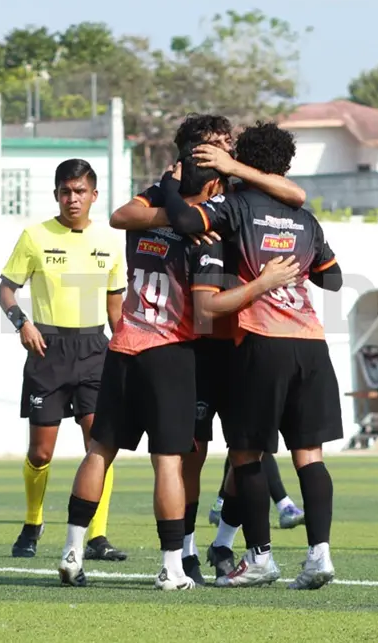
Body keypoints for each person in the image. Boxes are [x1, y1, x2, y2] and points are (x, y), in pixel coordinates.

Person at [56, 153, 298, 590]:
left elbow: (122, 214)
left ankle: (72, 552)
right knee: (169, 463)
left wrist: (168, 183)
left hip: (123, 344)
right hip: (169, 352)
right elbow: (206, 314)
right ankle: (172, 567)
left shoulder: (143, 219)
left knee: (98, 452)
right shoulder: (205, 235)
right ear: (208, 192)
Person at [110, 114, 308, 578]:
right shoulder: (176, 192)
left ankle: (230, 545)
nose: (222, 148)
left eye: (226, 142)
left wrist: (228, 179)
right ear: (191, 151)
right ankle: (187, 552)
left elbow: (297, 195)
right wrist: (183, 218)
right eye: (212, 144)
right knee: (191, 453)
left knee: (246, 453)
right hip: (194, 345)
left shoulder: (241, 193)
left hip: (241, 342)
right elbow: (123, 216)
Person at [159, 121, 345, 590]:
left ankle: (260, 557)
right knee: (310, 455)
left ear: (242, 160)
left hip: (262, 342)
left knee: (246, 454)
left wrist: (169, 183)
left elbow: (184, 222)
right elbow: (334, 278)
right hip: (311, 344)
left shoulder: (237, 206)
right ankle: (319, 554)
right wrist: (293, 261)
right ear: (283, 165)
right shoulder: (305, 218)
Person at [0, 159, 126, 562]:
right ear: (56, 194)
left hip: (94, 352)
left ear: (94, 195)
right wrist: (22, 323)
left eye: (80, 191)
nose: (74, 199)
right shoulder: (34, 237)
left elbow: (115, 306)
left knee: (99, 446)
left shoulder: (110, 241)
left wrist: (124, 350)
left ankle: (97, 536)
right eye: (66, 192)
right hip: (47, 352)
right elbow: (6, 291)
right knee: (41, 453)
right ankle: (33, 523)